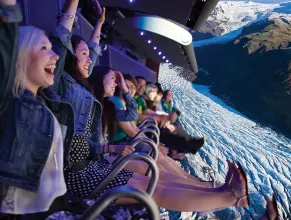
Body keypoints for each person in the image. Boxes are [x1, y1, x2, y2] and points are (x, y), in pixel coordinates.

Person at [49, 0, 251, 211]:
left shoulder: (83, 87)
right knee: (154, 187)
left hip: (93, 164)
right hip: (77, 175)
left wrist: (99, 24)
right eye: (83, 55)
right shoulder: (60, 85)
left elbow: (93, 51)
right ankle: (230, 197)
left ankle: (218, 190)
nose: (90, 59)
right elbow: (61, 40)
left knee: (157, 180)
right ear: (69, 58)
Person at [0, 7, 68, 215]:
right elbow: (5, 45)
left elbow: (62, 46)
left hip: (52, 209)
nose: (54, 55)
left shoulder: (48, 101)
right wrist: (8, 8)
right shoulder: (9, 102)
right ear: (19, 57)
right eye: (43, 48)